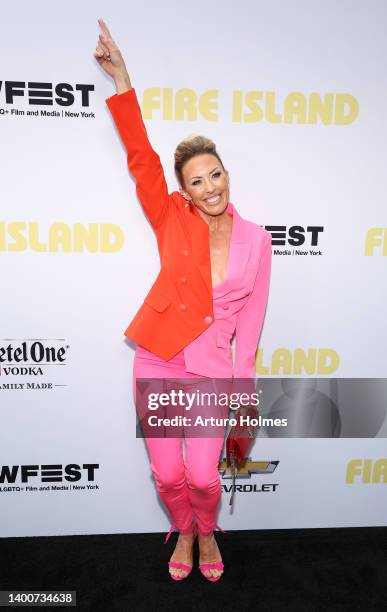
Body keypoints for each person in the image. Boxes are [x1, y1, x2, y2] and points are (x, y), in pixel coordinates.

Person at [94, 18, 272, 582]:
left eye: (215, 173)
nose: (211, 186)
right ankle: (186, 529)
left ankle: (206, 527)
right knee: (169, 478)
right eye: (197, 181)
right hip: (159, 358)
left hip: (212, 373)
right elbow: (142, 155)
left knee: (203, 478)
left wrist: (244, 410)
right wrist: (123, 79)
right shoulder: (172, 218)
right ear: (185, 190)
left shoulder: (258, 240)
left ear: (227, 174)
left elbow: (251, 333)